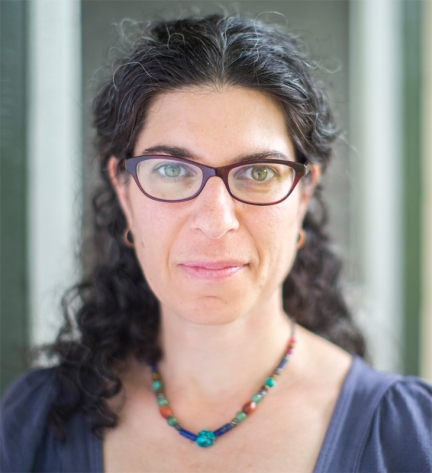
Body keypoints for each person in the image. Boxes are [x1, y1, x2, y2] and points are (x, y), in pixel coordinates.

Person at [1, 14, 431, 473]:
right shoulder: (35, 424)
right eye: (171, 170)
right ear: (124, 191)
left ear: (305, 194)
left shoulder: (409, 438)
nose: (215, 221)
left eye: (258, 173)